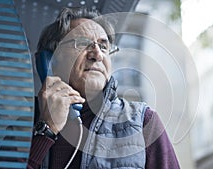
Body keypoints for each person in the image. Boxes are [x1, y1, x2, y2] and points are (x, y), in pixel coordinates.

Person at [28, 7, 180, 169]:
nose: (97, 55)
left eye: (103, 47)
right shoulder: (24, 124)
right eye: (82, 43)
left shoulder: (144, 122)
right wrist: (46, 130)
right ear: (51, 61)